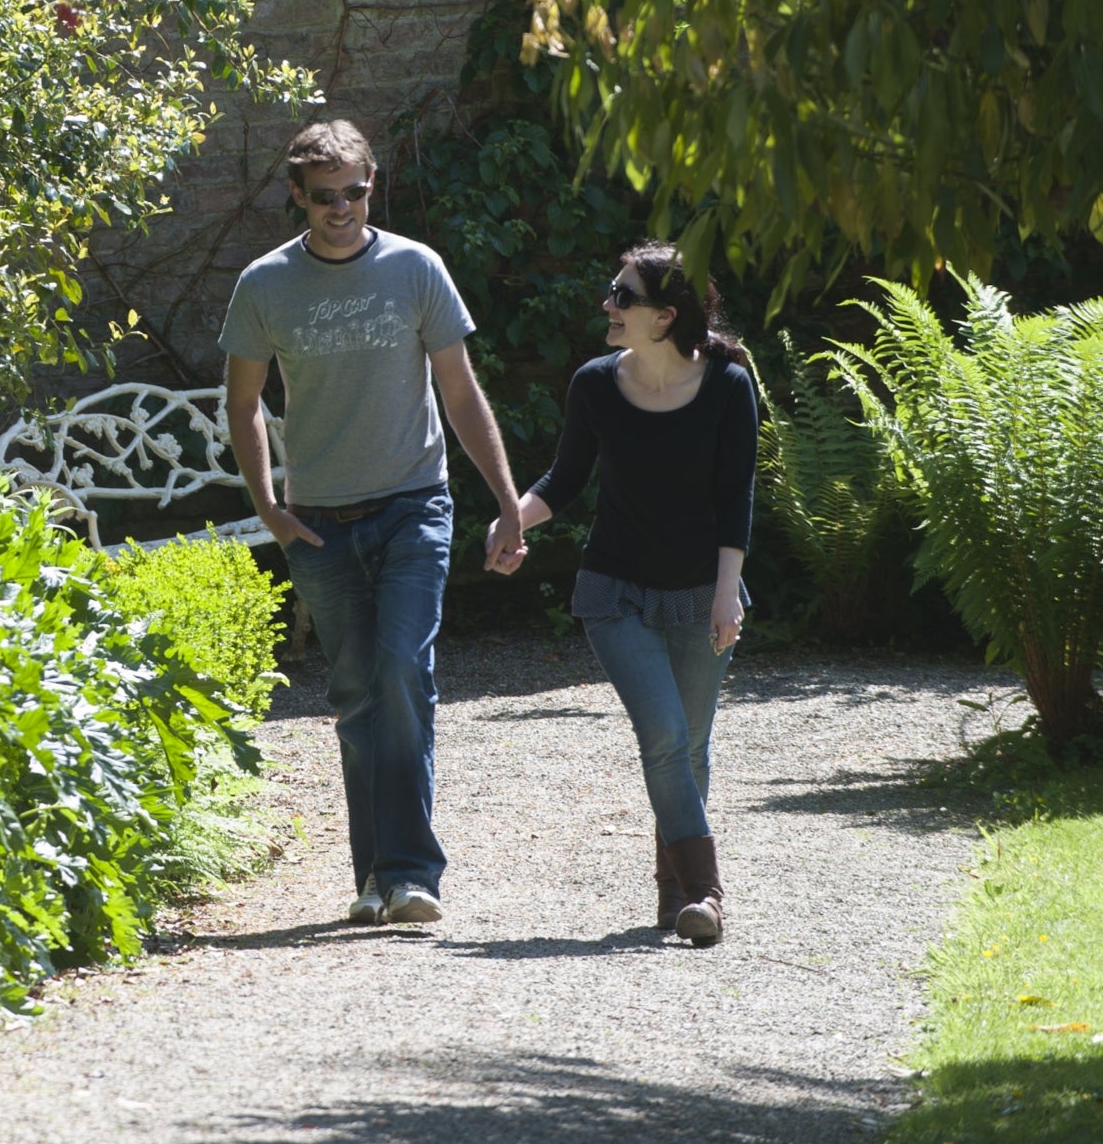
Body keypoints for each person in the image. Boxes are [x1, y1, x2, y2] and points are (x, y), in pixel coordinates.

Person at [220, 119, 526, 927]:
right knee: (357, 693)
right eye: (325, 197)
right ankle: (374, 879)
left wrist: (503, 498)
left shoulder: (415, 267)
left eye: (355, 191)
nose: (343, 208)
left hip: (413, 504)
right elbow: (244, 404)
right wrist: (271, 510)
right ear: (298, 197)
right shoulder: (264, 284)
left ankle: (412, 871)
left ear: (371, 183)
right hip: (320, 523)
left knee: (400, 669)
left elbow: (459, 391)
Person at [501, 241, 759, 946]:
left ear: (665, 316)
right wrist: (509, 519)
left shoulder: (730, 385)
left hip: (703, 590)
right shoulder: (593, 384)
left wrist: (727, 592)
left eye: (623, 296)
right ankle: (708, 893)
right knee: (666, 736)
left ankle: (672, 897)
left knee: (691, 745)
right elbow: (563, 481)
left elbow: (736, 495)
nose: (607, 305)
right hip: (613, 592)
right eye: (611, 292)